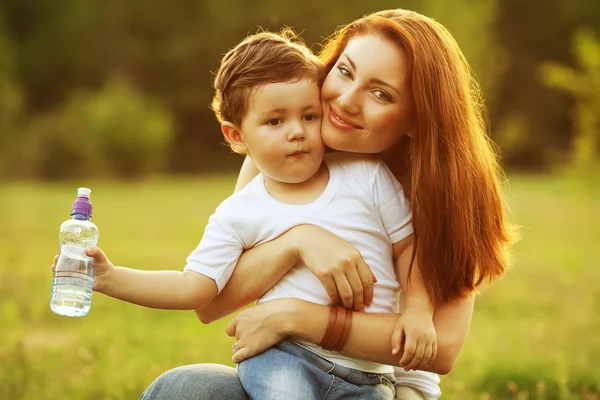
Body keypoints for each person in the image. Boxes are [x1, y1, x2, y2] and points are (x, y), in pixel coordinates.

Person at [141, 8, 517, 400]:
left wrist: (298, 317)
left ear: (416, 119)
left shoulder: (448, 194)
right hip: (297, 371)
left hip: (391, 387)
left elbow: (441, 348)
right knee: (181, 389)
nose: (346, 101)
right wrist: (298, 241)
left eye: (380, 93)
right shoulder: (283, 154)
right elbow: (213, 301)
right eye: (345, 71)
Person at [52, 29, 439, 399]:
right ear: (237, 136)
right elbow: (195, 289)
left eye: (309, 115)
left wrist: (419, 311)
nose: (297, 132)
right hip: (287, 358)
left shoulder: (366, 176)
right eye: (275, 121)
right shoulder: (239, 213)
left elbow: (409, 248)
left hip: (370, 375)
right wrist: (112, 278)